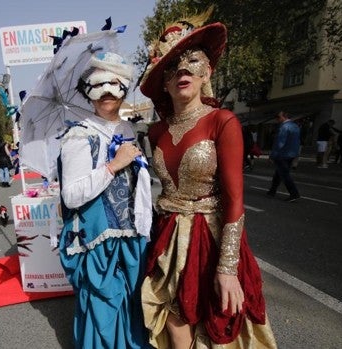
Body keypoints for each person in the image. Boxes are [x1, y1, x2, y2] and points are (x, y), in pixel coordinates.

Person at [138, 8, 277, 348]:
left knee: (219, 319)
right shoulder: (156, 132)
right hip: (169, 235)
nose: (182, 70)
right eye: (171, 66)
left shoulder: (222, 121)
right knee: (174, 315)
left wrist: (227, 268)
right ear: (163, 82)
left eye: (192, 61)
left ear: (208, 72)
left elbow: (234, 199)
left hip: (212, 236)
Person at [58, 51, 152, 349]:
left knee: (133, 302)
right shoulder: (78, 136)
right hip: (99, 240)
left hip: (133, 235)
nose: (108, 92)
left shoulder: (129, 130)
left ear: (125, 87)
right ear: (88, 92)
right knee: (104, 307)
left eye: (114, 84)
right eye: (99, 86)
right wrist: (113, 165)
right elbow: (71, 196)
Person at [267, 111, 302, 202]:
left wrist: (272, 155)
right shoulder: (295, 126)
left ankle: (294, 194)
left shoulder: (284, 127)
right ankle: (272, 191)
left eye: (278, 117)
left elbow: (280, 143)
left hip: (282, 154)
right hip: (291, 153)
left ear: (284, 117)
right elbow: (297, 141)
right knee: (279, 173)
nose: (277, 119)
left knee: (285, 174)